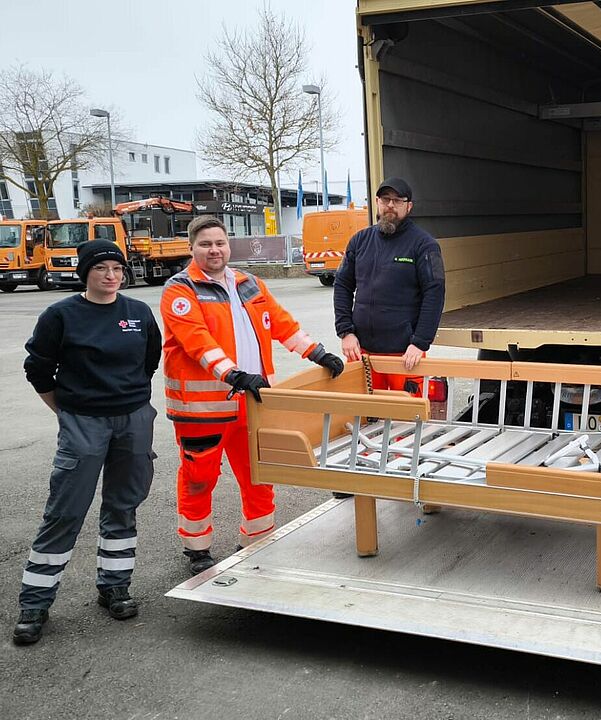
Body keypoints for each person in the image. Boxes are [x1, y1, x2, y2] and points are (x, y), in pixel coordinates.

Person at [161, 215, 344, 575]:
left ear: (229, 245)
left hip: (252, 400)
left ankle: (258, 539)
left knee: (259, 473)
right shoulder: (180, 290)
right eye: (205, 244)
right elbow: (198, 342)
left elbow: (282, 324)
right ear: (191, 248)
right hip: (202, 409)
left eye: (220, 243)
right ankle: (197, 548)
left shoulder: (249, 283)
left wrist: (317, 352)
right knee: (199, 477)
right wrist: (234, 374)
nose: (214, 250)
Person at [15, 240, 161, 645]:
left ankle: (114, 585)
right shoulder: (61, 314)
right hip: (83, 422)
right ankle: (35, 603)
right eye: (101, 269)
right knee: (65, 510)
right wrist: (66, 412)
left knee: (123, 504)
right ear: (86, 273)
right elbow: (38, 370)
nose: (111, 275)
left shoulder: (137, 312)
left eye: (117, 268)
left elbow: (150, 360)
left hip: (133, 419)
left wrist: (128, 402)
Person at [334, 177, 445, 392]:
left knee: (407, 422)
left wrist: (420, 342)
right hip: (362, 354)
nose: (391, 206)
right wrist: (345, 332)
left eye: (398, 200)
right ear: (377, 202)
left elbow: (435, 294)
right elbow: (342, 286)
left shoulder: (425, 245)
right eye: (386, 199)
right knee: (362, 420)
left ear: (409, 206)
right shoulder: (359, 241)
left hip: (405, 356)